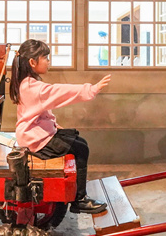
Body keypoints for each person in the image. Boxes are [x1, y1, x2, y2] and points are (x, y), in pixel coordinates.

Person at [10, 39, 111, 214]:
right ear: (32, 62)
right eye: (45, 57)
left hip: (35, 135)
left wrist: (54, 125)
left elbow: (39, 112)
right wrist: (90, 89)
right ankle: (79, 199)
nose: (48, 61)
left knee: (79, 142)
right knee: (80, 148)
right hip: (36, 140)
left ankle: (77, 192)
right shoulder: (33, 87)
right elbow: (58, 91)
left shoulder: (27, 82)